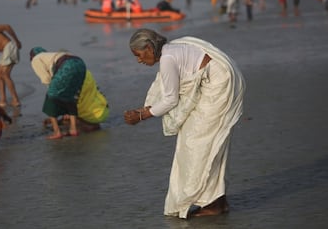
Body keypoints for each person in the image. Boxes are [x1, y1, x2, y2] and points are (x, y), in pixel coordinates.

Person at [123, 29, 245, 219]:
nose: (138, 60)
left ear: (148, 48)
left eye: (138, 55)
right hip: (218, 79)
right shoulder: (171, 50)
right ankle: (217, 200)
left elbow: (171, 99)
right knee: (207, 143)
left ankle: (214, 203)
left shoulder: (167, 59)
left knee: (197, 144)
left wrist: (141, 116)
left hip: (218, 84)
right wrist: (145, 110)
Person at [30, 47, 109, 139]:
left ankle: (57, 132)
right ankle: (74, 128)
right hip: (102, 111)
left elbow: (47, 81)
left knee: (51, 97)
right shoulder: (84, 72)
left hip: (91, 114)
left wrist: (53, 109)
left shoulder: (36, 59)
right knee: (69, 98)